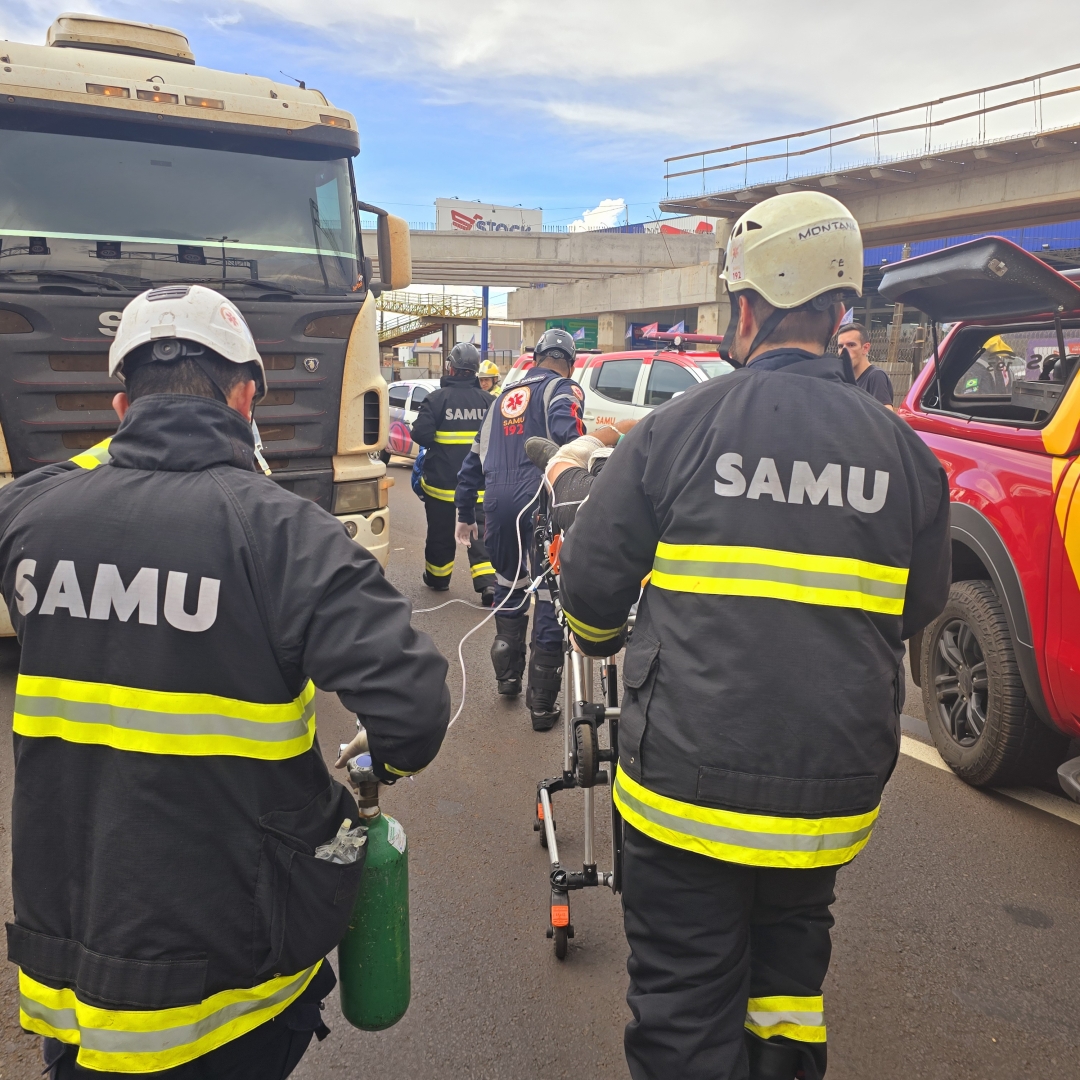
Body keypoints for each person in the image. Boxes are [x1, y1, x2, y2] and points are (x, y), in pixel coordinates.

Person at [0, 284, 450, 1079]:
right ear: (245, 397)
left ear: (118, 404)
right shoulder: (283, 532)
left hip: (72, 948)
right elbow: (411, 707)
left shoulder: (30, 517)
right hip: (226, 970)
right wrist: (380, 770)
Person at [558, 191, 951, 1080]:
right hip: (827, 795)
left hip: (686, 792)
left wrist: (594, 639)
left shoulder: (676, 431)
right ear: (838, 306)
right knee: (788, 998)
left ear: (748, 303)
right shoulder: (906, 456)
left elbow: (589, 589)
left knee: (684, 1011)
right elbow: (916, 608)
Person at [455, 327, 585, 730]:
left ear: (537, 355)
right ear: (568, 362)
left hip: (497, 504)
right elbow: (569, 438)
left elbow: (472, 461)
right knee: (547, 597)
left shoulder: (499, 403)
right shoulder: (563, 388)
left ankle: (507, 679)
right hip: (540, 504)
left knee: (509, 587)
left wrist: (464, 512)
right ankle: (542, 706)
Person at [411, 342, 497, 604]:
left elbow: (421, 434)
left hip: (441, 486)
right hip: (480, 487)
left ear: (450, 366)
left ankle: (438, 579)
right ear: (474, 371)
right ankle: (487, 585)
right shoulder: (490, 402)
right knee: (481, 535)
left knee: (440, 533)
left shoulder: (436, 399)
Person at [836, 322, 895, 410]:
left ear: (865, 348)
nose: (843, 351)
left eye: (851, 345)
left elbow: (886, 415)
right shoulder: (843, 378)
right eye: (840, 346)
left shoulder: (876, 376)